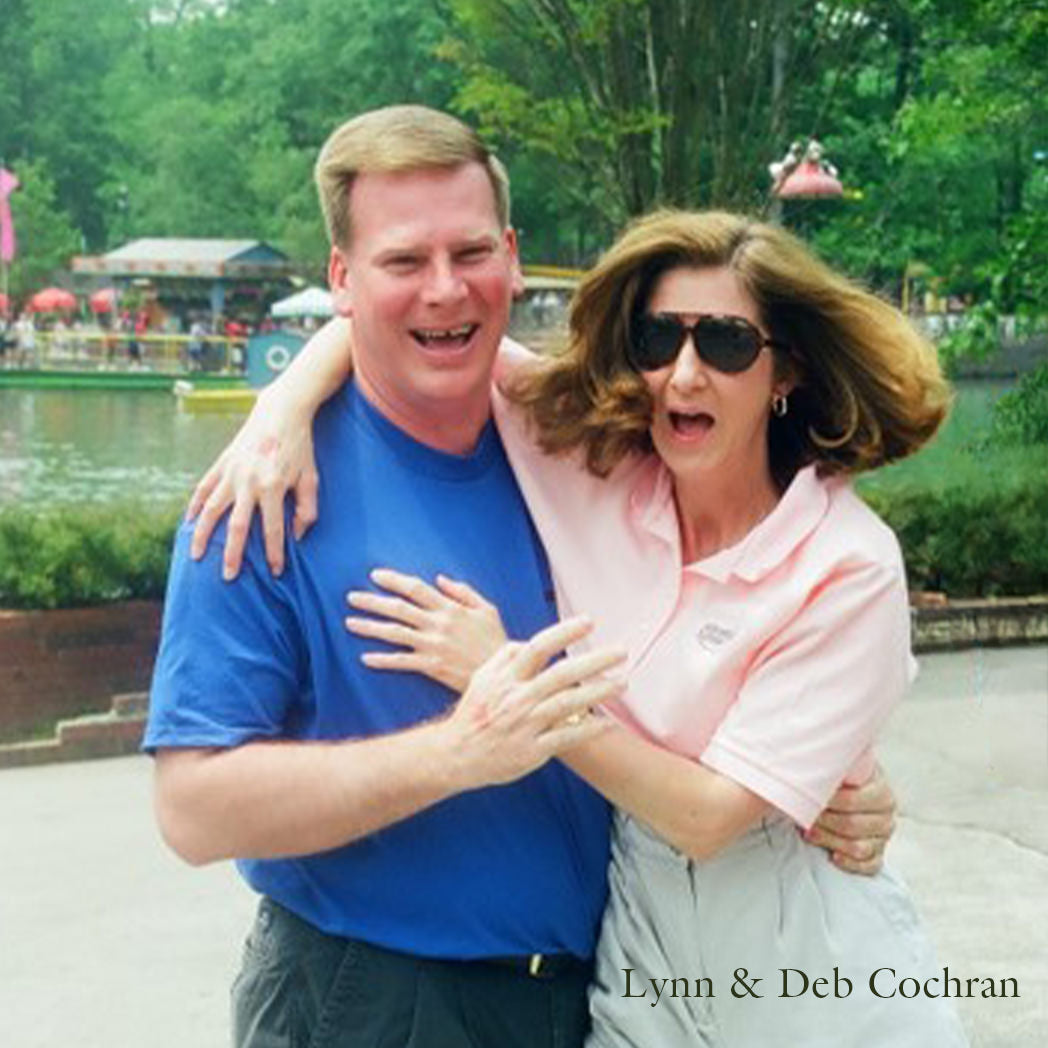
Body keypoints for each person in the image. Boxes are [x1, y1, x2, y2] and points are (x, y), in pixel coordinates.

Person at [157, 106, 896, 1048]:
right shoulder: (265, 492)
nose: (445, 290)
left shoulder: (582, 456)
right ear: (341, 277)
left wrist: (822, 771)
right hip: (377, 997)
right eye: (401, 261)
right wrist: (458, 750)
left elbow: (723, 647)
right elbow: (191, 809)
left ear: (511, 255)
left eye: (469, 253)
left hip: (594, 997)